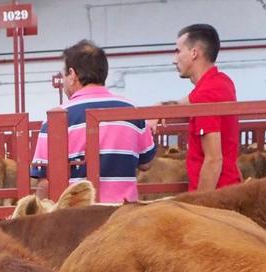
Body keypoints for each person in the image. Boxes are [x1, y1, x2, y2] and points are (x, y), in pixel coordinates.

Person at [30, 40, 157, 203]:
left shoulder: (56, 119)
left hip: (80, 217)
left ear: (72, 74)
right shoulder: (131, 110)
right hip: (124, 215)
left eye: (63, 76)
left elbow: (44, 182)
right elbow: (146, 164)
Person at [173, 24, 242, 191]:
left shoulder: (206, 95)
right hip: (229, 188)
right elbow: (187, 101)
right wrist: (160, 108)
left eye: (178, 51)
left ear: (194, 53)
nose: (174, 59)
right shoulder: (222, 82)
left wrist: (200, 206)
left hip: (216, 196)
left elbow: (213, 160)